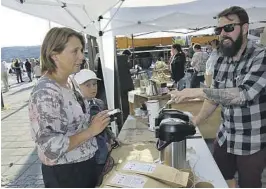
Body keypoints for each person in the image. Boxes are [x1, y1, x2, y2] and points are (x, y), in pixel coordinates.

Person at [169, 6, 266, 188]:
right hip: (225, 136)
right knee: (222, 177)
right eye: (219, 30)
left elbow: (244, 94)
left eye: (228, 28)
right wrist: (194, 122)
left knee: (249, 184)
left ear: (245, 28)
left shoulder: (261, 56)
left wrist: (197, 91)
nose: (223, 34)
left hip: (251, 141)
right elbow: (214, 96)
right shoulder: (222, 57)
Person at [28, 27, 110, 188]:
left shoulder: (70, 82)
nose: (81, 56)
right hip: (66, 173)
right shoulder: (45, 92)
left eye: (81, 50)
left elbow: (75, 123)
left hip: (84, 165)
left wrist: (93, 122)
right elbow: (50, 147)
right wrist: (91, 131)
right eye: (75, 51)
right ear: (54, 55)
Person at [74, 69, 119, 185]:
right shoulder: (76, 107)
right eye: (87, 85)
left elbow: (104, 127)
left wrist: (112, 138)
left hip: (104, 151)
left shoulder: (99, 103)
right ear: (77, 87)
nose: (93, 88)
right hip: (89, 157)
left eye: (94, 84)